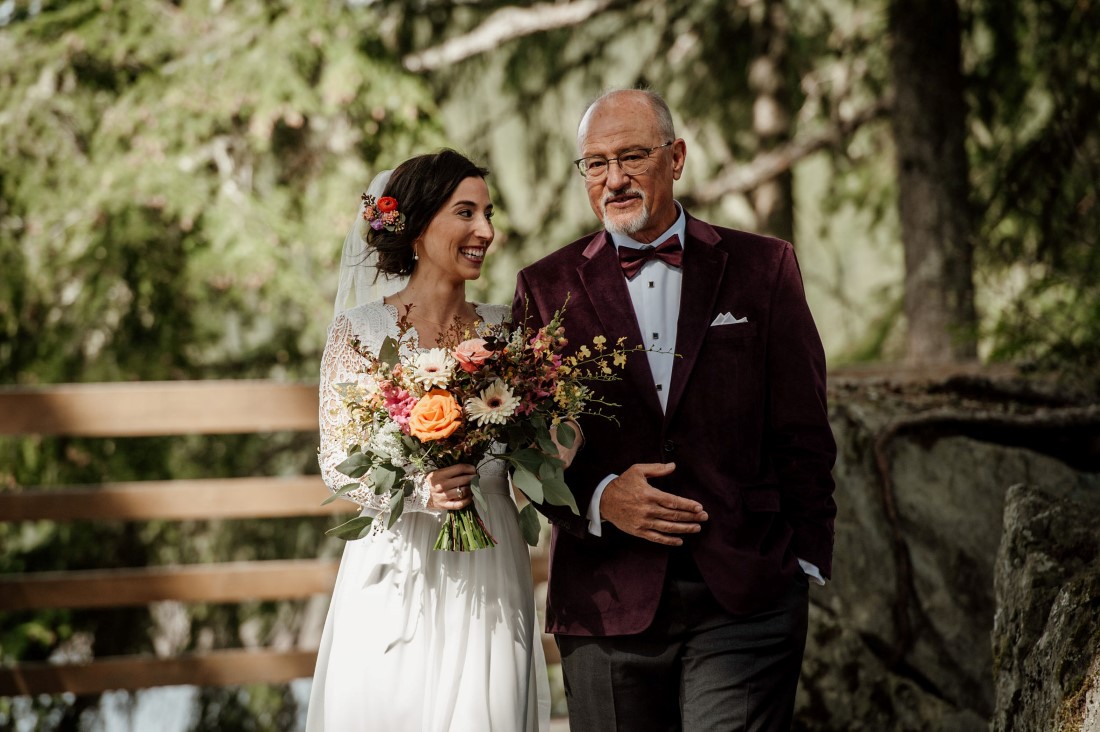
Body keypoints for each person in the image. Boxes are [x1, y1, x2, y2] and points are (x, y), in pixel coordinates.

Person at [512, 89, 837, 731]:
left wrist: (804, 563)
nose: (614, 179)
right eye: (596, 163)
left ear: (677, 157)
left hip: (747, 596)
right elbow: (524, 448)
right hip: (606, 604)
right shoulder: (545, 288)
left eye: (632, 157)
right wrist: (602, 499)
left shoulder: (763, 267)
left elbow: (804, 428)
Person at [306, 149, 550, 732]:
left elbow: (536, 445)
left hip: (489, 556)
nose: (485, 231)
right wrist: (420, 487)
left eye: (488, 214)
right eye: (466, 212)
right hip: (397, 564)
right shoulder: (359, 332)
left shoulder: (507, 332)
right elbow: (338, 460)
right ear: (417, 228)